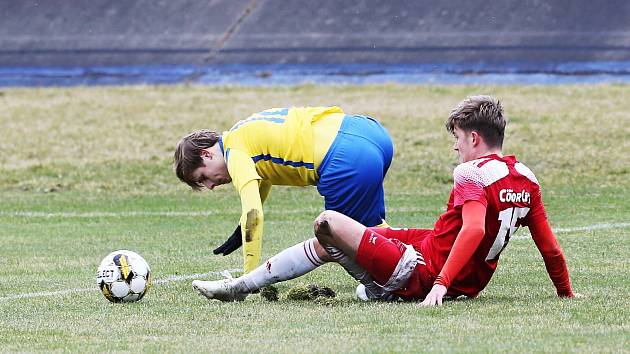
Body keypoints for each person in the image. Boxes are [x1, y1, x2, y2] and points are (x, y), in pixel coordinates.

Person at [191, 95, 576, 305]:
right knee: (362, 234)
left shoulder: (469, 173)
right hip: (454, 265)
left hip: (427, 272)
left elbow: (474, 228)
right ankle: (371, 282)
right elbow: (551, 249)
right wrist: (565, 293)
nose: (455, 146)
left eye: (457, 137)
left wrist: (440, 285)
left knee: (329, 226)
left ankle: (244, 286)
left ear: (474, 138)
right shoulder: (525, 178)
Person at [174, 106, 393, 279]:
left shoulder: (234, 153)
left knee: (337, 238)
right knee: (375, 229)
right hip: (369, 132)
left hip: (346, 159)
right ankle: (420, 255)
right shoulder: (240, 132)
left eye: (203, 177)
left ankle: (392, 282)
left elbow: (253, 215)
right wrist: (242, 229)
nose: (210, 186)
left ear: (206, 154)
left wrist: (248, 278)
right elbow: (264, 177)